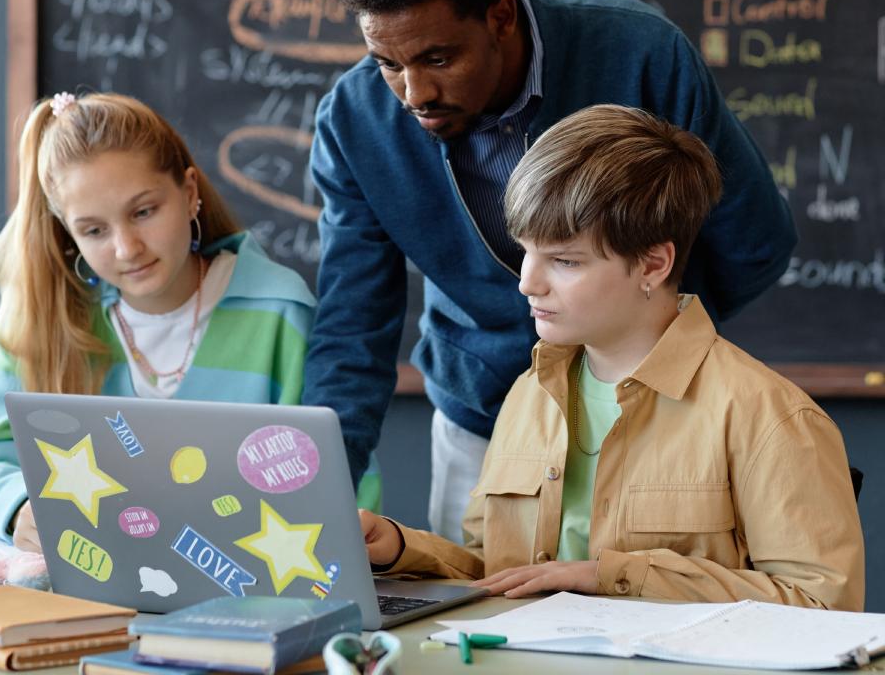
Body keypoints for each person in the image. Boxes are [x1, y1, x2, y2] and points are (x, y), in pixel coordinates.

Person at [304, 0, 797, 543]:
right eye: (387, 64)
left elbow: (753, 241)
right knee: (479, 615)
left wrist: (643, 352)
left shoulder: (638, 53)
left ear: (501, 17)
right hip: (482, 420)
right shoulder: (353, 122)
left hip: (652, 414)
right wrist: (316, 493)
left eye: (438, 59)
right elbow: (353, 321)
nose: (413, 94)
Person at [359, 105, 863, 610]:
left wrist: (614, 576)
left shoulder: (770, 417)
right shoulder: (529, 394)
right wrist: (401, 548)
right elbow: (502, 575)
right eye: (526, 252)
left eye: (564, 261)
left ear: (653, 264)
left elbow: (824, 607)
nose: (527, 282)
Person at [0, 91, 379, 549]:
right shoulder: (40, 323)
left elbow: (344, 489)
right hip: (86, 604)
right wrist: (18, 509)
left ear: (189, 193)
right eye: (94, 230)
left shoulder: (280, 315)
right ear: (68, 234)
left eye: (144, 212)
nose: (126, 248)